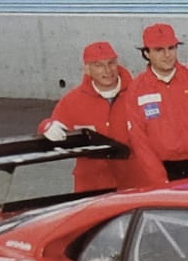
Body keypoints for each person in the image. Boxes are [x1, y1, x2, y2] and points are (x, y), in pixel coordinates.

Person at [127, 23, 188, 184]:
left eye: (171, 48)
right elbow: (139, 139)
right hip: (164, 171)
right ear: (147, 53)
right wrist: (159, 178)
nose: (167, 55)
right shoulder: (137, 89)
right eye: (159, 50)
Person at [37, 41, 133, 192]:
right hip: (91, 185)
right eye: (98, 65)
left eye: (111, 63)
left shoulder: (138, 93)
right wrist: (46, 126)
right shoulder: (72, 100)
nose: (107, 70)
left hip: (133, 181)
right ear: (87, 69)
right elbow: (52, 124)